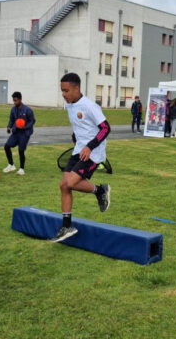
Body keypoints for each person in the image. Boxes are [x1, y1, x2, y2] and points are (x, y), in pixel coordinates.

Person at [53, 73, 111, 242]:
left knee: (71, 182)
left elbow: (106, 128)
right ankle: (66, 226)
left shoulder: (90, 106)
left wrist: (89, 146)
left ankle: (100, 190)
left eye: (66, 90)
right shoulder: (70, 105)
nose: (63, 94)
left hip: (93, 152)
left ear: (76, 88)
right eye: (62, 91)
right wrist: (77, 141)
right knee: (64, 185)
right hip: (79, 150)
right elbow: (80, 128)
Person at [3, 91, 35, 176]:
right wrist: (9, 127)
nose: (14, 102)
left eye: (16, 100)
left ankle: (21, 169)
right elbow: (11, 120)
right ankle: (11, 165)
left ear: (20, 99)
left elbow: (32, 121)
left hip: (25, 133)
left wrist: (26, 126)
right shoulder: (13, 109)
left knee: (21, 150)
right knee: (7, 146)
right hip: (16, 132)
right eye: (13, 100)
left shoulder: (28, 110)